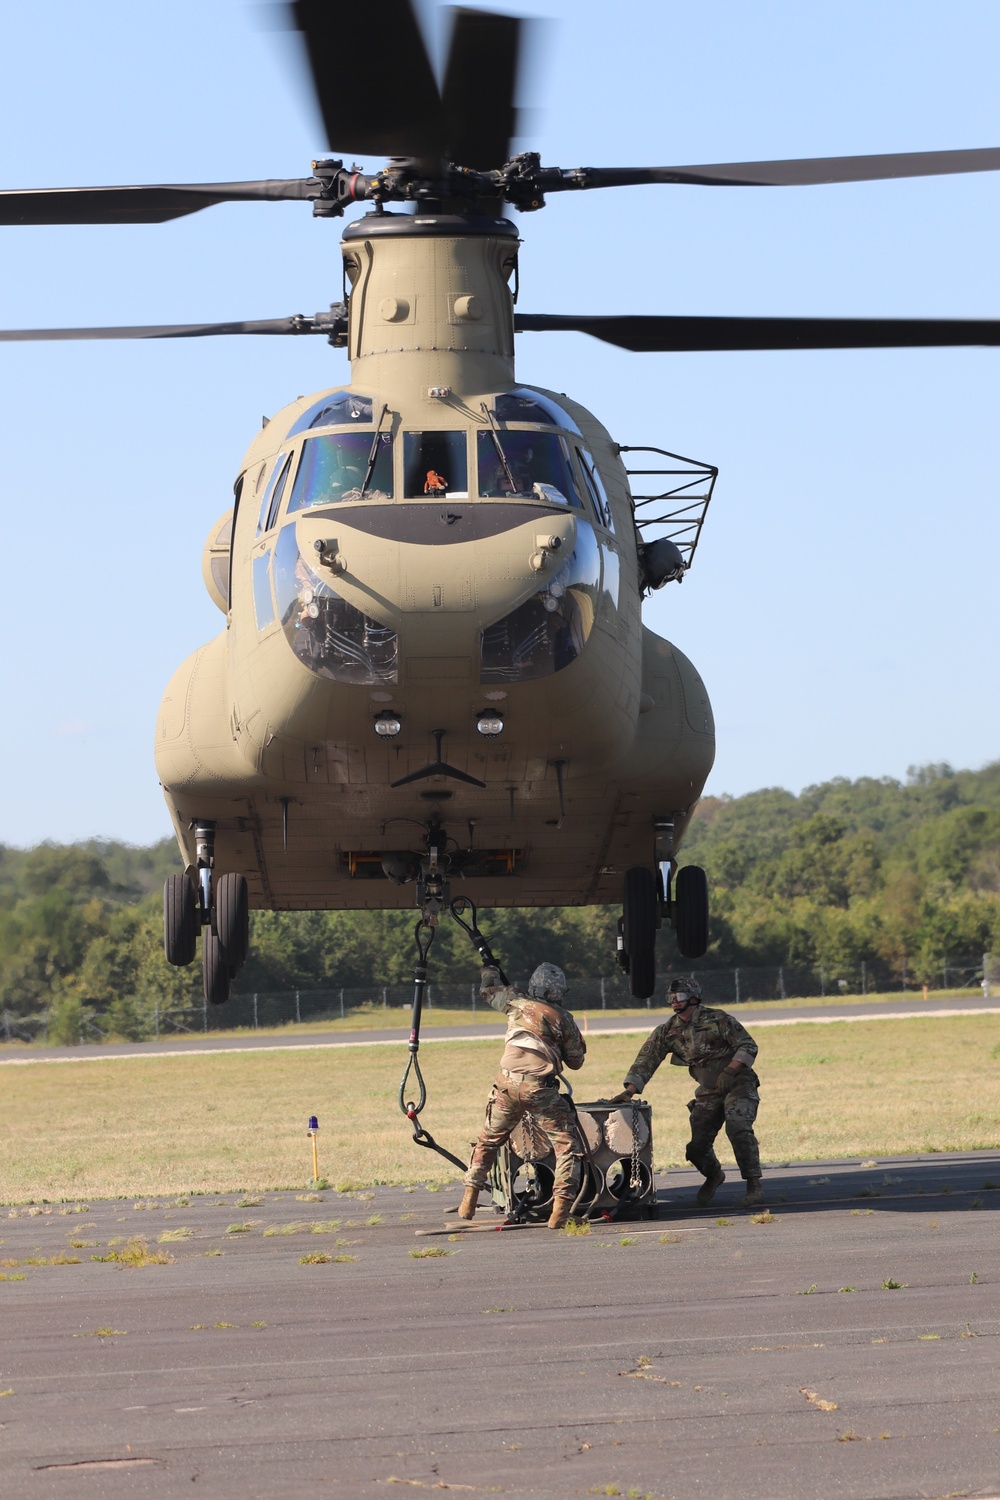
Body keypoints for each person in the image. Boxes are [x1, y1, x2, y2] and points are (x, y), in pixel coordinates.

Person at [612, 976, 764, 1207]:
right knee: (696, 1148)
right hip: (709, 1091)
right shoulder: (668, 1030)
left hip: (738, 1084)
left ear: (694, 998)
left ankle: (754, 1185)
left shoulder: (718, 1019)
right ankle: (714, 1175)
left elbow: (748, 1046)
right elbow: (647, 1060)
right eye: (670, 998)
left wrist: (731, 1071)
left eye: (679, 997)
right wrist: (629, 1091)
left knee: (738, 1127)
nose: (674, 1002)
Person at [459, 961, 586, 1230]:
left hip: (507, 1085)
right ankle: (560, 1212)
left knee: (488, 1140)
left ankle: (469, 1199)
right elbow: (576, 1061)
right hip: (539, 1089)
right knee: (567, 1146)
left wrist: (488, 968)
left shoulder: (515, 1001)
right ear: (559, 991)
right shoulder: (562, 1017)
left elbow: (489, 990)